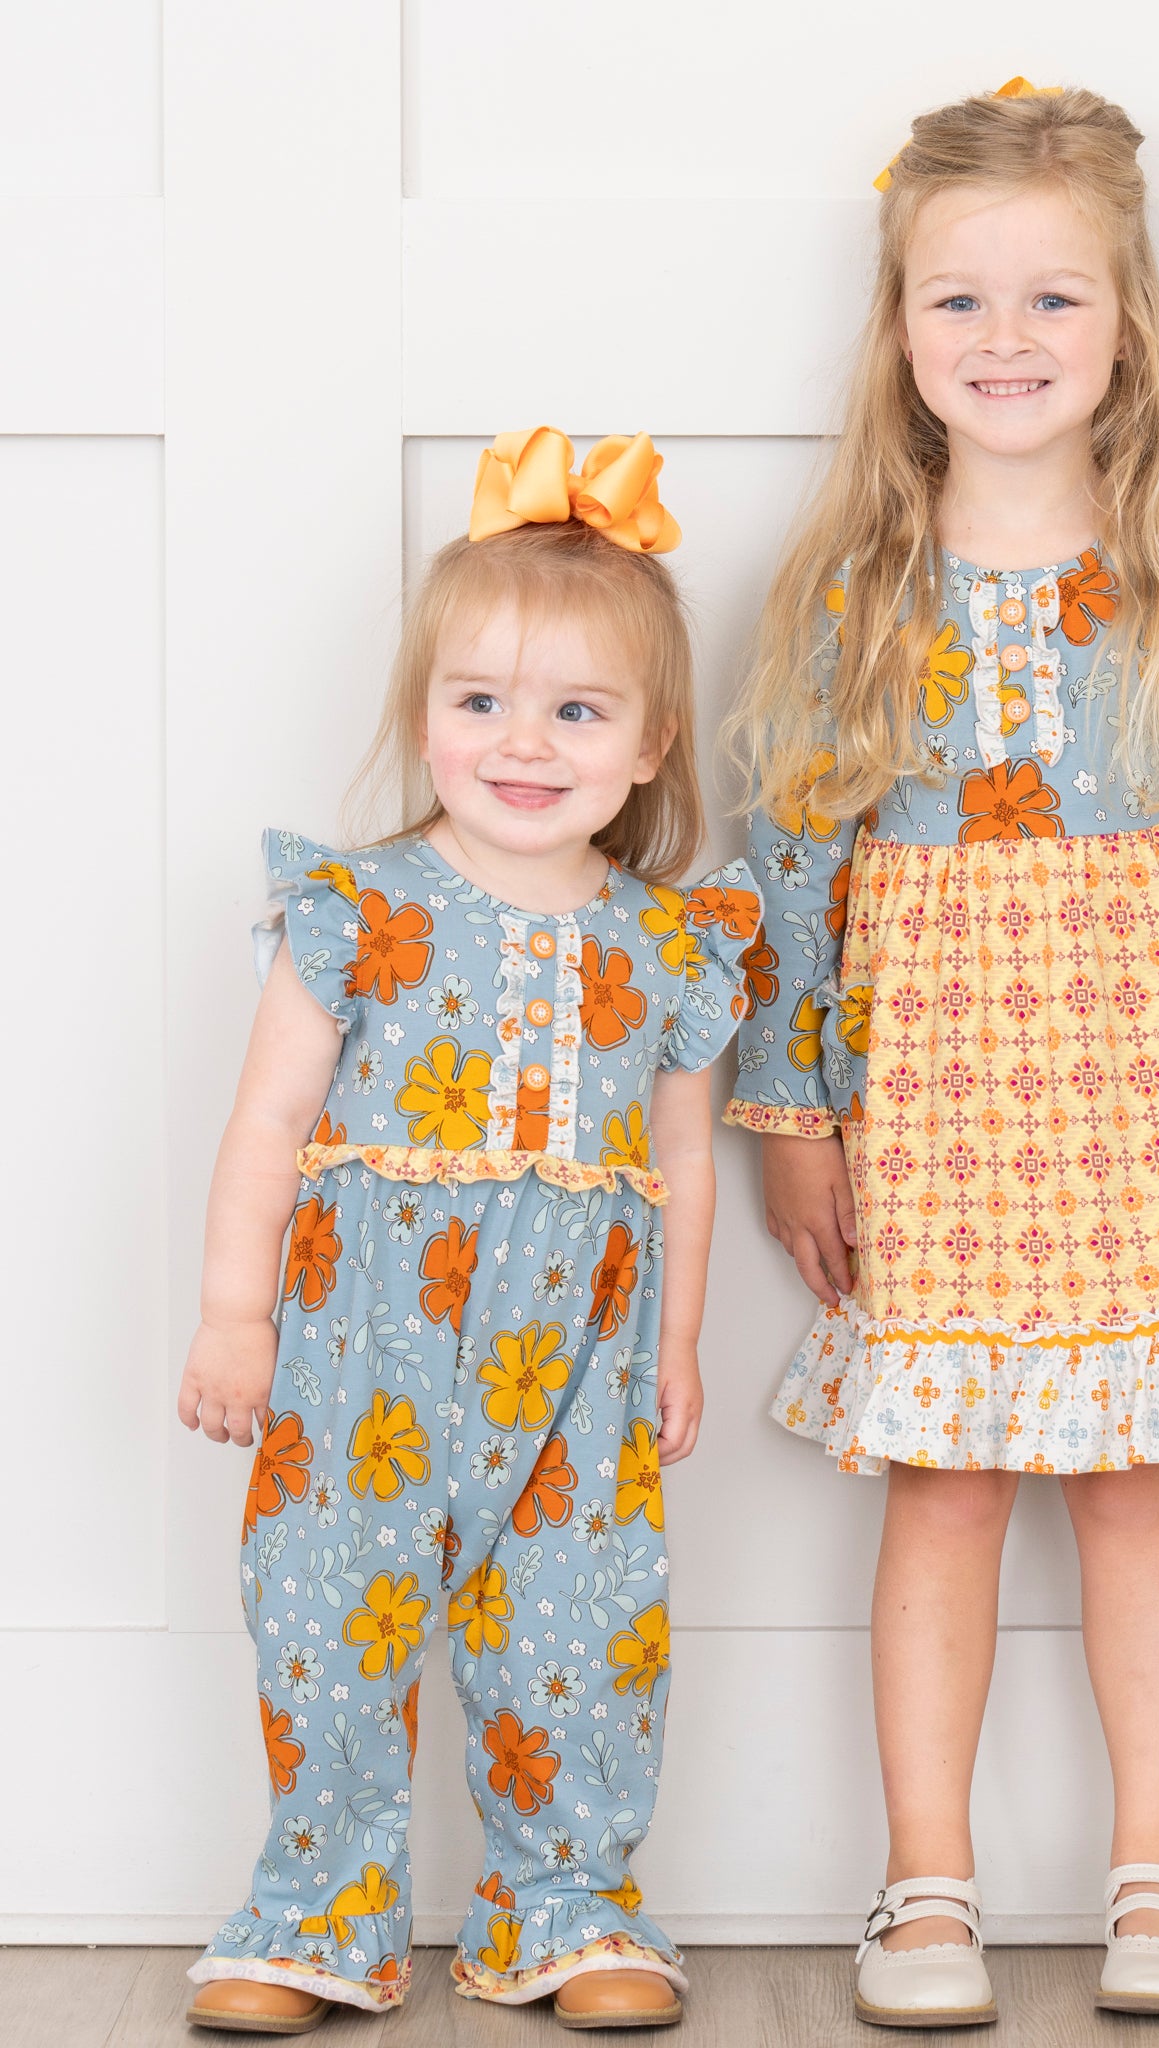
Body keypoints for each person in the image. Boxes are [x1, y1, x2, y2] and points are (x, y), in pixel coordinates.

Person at [724, 80, 1159, 2027]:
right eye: (959, 299)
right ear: (898, 326)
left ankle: (1156, 1872)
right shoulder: (852, 589)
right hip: (929, 1104)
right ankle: (924, 1883)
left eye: (1052, 299)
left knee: (1135, 1486)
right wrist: (791, 1117)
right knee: (938, 1487)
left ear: (1127, 324)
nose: (1003, 339)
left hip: (1132, 1097)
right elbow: (790, 873)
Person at [181, 428, 760, 2032]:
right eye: (481, 700)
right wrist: (233, 1316)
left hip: (575, 1372)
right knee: (327, 1630)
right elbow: (267, 1124)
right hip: (355, 1361)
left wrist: (679, 1346)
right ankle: (314, 1916)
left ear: (649, 745)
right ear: (423, 712)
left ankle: (566, 1908)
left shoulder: (670, 948)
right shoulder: (355, 911)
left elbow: (684, 1165)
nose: (523, 743)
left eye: (577, 712)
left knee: (582, 1631)